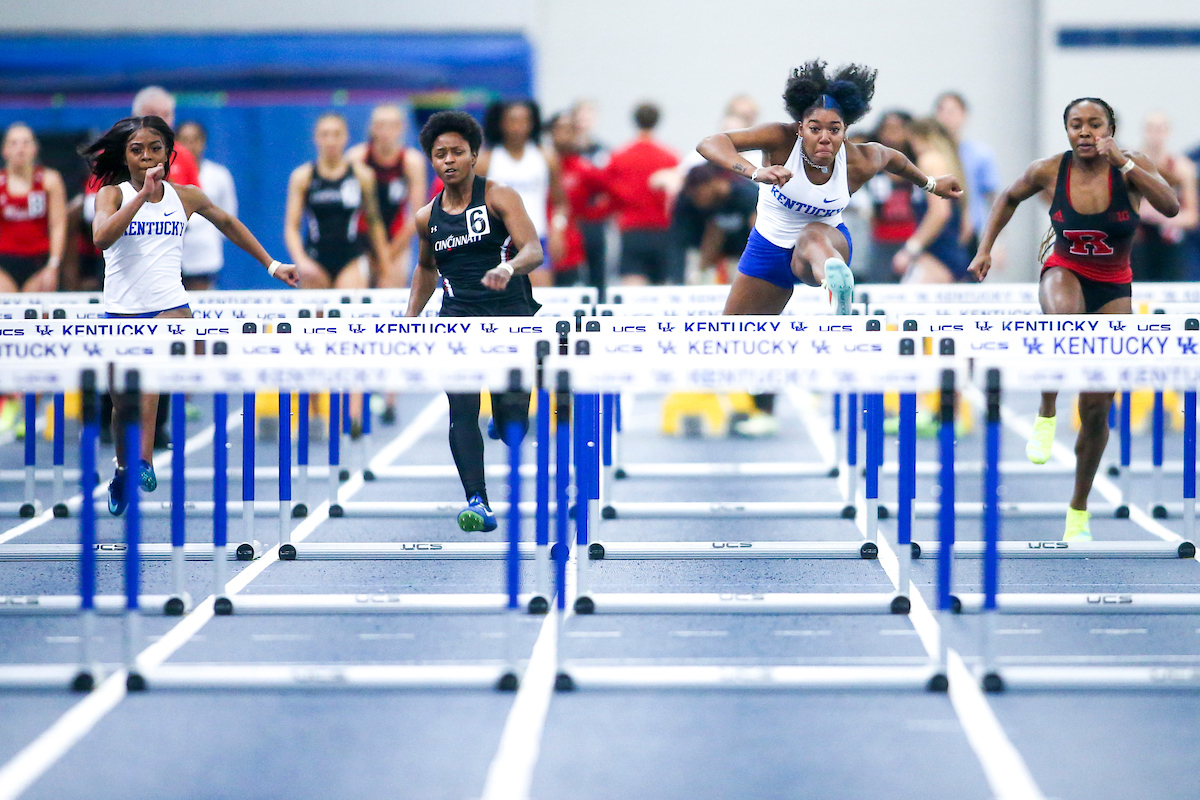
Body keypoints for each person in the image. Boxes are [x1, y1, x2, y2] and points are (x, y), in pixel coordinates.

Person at [697, 60, 961, 437]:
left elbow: (898, 161)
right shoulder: (778, 138)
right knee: (734, 339)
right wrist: (755, 171)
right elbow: (710, 143)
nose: (824, 138)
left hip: (825, 248)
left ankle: (835, 286)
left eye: (834, 130)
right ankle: (767, 386)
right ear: (800, 127)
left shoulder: (860, 157)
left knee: (811, 236)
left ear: (845, 131)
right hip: (769, 248)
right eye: (815, 128)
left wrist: (932, 184)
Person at [968, 97, 1179, 542]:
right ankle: (1046, 410)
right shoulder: (1049, 169)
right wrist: (985, 248)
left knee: (1098, 407)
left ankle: (1078, 505)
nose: (1084, 132)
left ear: (1109, 130)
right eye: (1075, 125)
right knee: (1067, 324)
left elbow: (1171, 207)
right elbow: (1008, 197)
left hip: (1114, 285)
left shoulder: (1132, 165)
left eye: (1094, 125)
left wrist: (1124, 164)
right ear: (1066, 130)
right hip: (1062, 270)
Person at [81, 115, 298, 515]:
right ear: (126, 156)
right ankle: (124, 467)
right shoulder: (111, 195)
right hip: (120, 310)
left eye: (155, 149)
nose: (147, 157)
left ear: (169, 153)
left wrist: (272, 266)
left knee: (151, 368)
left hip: (170, 305)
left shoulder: (187, 196)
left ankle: (144, 459)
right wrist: (140, 198)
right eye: (137, 150)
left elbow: (229, 223)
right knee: (120, 405)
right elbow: (101, 238)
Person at [405, 111, 543, 532]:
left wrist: (508, 269)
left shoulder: (500, 196)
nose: (448, 160)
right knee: (462, 409)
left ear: (474, 156)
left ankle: (505, 418)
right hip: (458, 321)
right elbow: (426, 270)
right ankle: (477, 501)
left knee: (512, 416)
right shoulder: (426, 217)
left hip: (510, 316)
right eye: (439, 154)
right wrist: (408, 320)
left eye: (457, 152)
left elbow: (534, 250)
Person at [284, 112, 390, 290]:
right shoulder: (303, 177)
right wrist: (301, 261)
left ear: (346, 137)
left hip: (350, 259)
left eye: (336, 134)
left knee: (349, 309)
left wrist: (385, 266)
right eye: (325, 135)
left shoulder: (362, 175)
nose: (331, 141)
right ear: (316, 138)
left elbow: (374, 222)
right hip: (315, 258)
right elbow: (292, 227)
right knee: (315, 314)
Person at [477, 99, 566, 288]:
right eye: (512, 121)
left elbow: (560, 202)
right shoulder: (486, 161)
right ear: (501, 124)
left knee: (541, 297)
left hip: (536, 238)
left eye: (524, 121)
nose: (518, 127)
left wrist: (558, 230)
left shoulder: (546, 158)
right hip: (498, 241)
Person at [347, 104, 428, 289]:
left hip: (396, 238)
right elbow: (349, 210)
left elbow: (417, 215)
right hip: (361, 237)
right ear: (371, 128)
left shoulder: (411, 161)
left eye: (392, 125)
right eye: (380, 125)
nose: (385, 131)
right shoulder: (356, 158)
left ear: (402, 128)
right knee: (356, 288)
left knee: (391, 279)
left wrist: (388, 255)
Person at [607, 102, 681, 286]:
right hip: (661, 230)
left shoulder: (619, 156)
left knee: (632, 293)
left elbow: (610, 193)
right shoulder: (669, 156)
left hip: (632, 230)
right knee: (660, 292)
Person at [891, 119, 972, 283]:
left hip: (937, 255)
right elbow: (966, 225)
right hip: (951, 253)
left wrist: (911, 248)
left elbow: (940, 212)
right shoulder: (951, 165)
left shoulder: (929, 161)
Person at [1130, 112, 1199, 282]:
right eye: (1151, 128)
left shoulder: (1183, 168)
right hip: (1137, 246)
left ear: (1168, 132)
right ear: (1144, 131)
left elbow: (1191, 217)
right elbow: (1114, 210)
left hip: (1170, 248)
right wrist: (1139, 210)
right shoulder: (1128, 166)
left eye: (1160, 129)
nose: (1156, 134)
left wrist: (1159, 215)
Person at [546, 111, 611, 287]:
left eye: (570, 130)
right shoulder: (539, 164)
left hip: (570, 244)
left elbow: (610, 193)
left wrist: (590, 216)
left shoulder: (583, 168)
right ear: (550, 132)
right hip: (537, 240)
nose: (565, 135)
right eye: (560, 129)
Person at [0, 123, 66, 294]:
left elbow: (58, 225)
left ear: (35, 148)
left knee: (37, 313)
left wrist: (53, 266)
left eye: (26, 143)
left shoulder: (50, 180)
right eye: (14, 143)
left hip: (38, 262)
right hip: (4, 264)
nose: (20, 149)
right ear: (4, 150)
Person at [935, 92, 1000, 253]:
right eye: (942, 111)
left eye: (952, 111)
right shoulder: (931, 155)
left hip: (971, 230)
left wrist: (997, 241)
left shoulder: (980, 154)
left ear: (964, 115)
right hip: (939, 231)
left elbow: (993, 199)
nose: (946, 117)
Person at [671, 163, 757, 284]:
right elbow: (713, 234)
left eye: (697, 194)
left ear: (712, 184)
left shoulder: (746, 195)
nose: (696, 200)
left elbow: (759, 229)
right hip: (727, 255)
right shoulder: (708, 206)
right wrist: (701, 271)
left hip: (747, 252)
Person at [176, 121, 237, 290]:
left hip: (204, 254)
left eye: (195, 139)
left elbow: (228, 215)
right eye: (184, 140)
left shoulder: (219, 175)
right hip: (173, 255)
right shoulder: (167, 175)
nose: (190, 145)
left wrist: (208, 235)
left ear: (203, 142)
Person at [863, 110, 918, 284]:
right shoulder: (872, 166)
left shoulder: (920, 164)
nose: (891, 135)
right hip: (881, 240)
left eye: (897, 128)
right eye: (886, 129)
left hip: (913, 240)